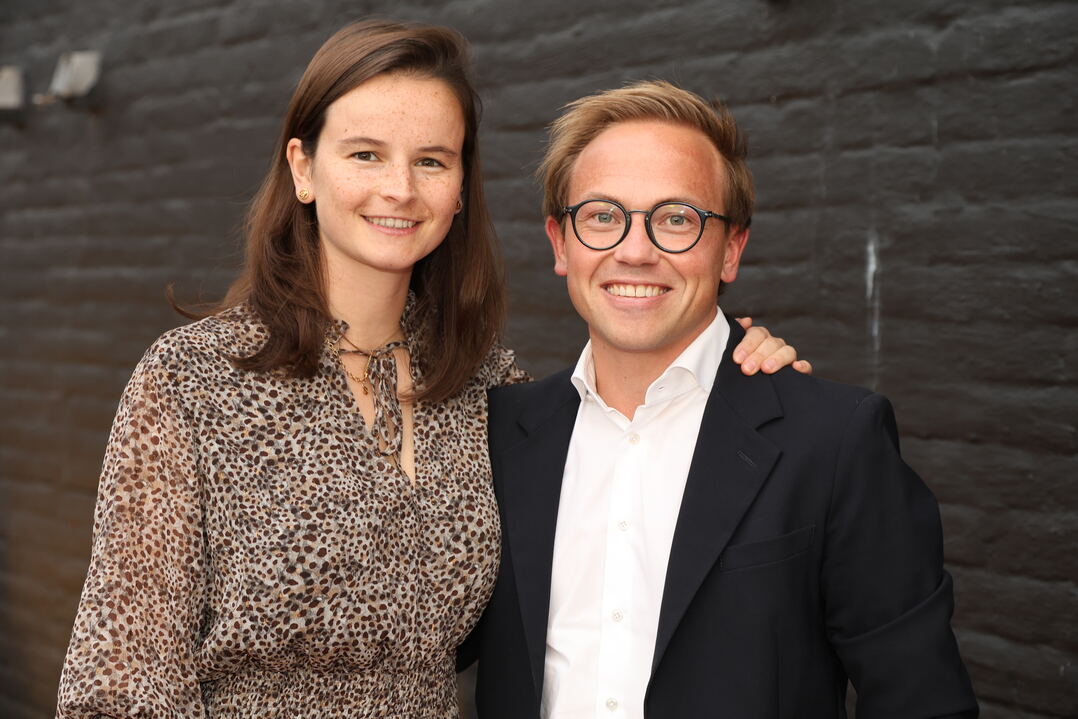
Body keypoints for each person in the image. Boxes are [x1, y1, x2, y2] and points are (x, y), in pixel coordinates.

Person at [56, 22, 804, 718]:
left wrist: (731, 364)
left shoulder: (489, 387)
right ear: (303, 168)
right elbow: (120, 680)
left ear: (459, 190)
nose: (400, 189)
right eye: (365, 154)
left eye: (431, 161)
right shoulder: (195, 379)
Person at [463, 81, 980, 718]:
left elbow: (920, 699)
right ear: (560, 242)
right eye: (601, 216)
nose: (635, 251)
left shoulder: (833, 442)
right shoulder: (499, 434)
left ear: (730, 249)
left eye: (677, 219)